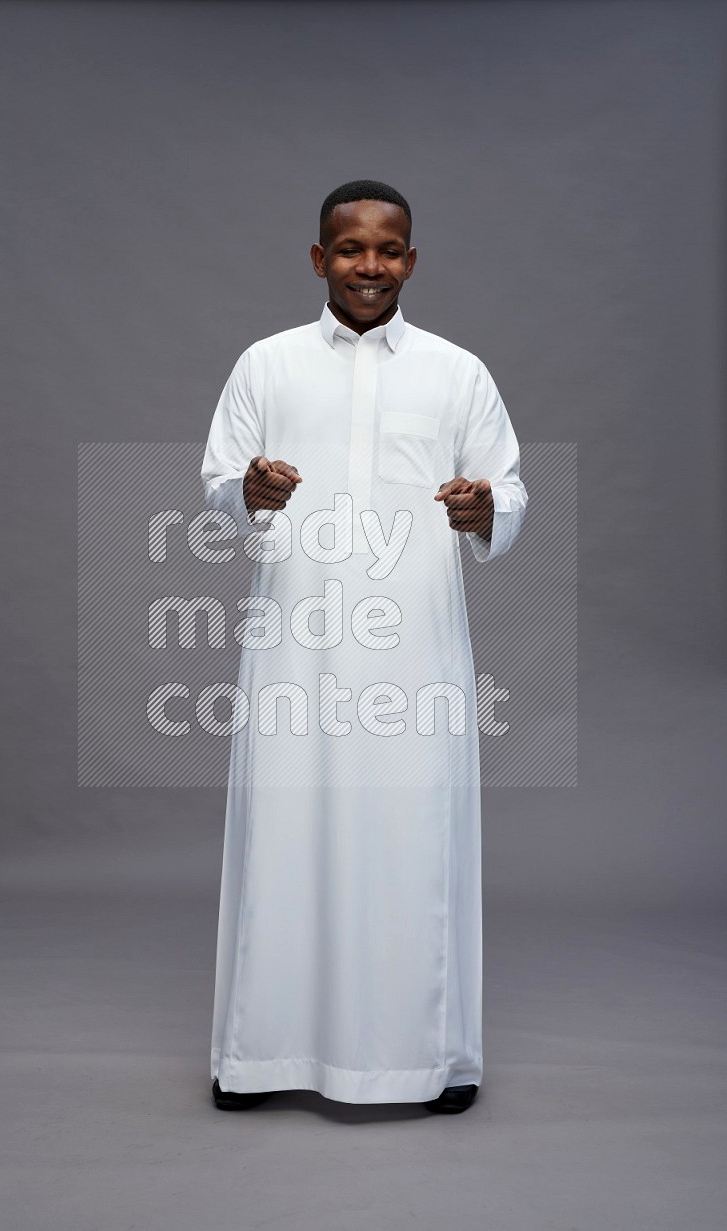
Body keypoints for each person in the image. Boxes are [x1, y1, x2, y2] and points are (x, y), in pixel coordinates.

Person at [201, 180, 527, 1113]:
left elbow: (508, 489)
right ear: (318, 259)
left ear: (412, 261)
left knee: (411, 840)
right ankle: (260, 1055)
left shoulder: (457, 372)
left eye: (389, 250)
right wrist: (250, 493)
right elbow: (221, 479)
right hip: (297, 643)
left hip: (414, 655)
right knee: (284, 836)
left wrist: (484, 509)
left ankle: (430, 1059)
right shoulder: (265, 365)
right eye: (351, 249)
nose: (370, 265)